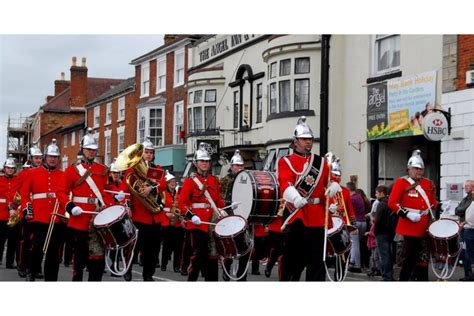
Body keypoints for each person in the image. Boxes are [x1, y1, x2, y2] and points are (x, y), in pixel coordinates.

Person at [277, 116, 341, 281]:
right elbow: (285, 184)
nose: (308, 142)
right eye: (304, 139)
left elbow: (331, 181)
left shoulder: (320, 163)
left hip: (318, 216)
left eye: (310, 139)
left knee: (317, 262)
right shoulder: (285, 161)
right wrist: (296, 197)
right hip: (297, 215)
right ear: (295, 141)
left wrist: (334, 186)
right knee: (293, 261)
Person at [57, 127, 114, 281]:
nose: (91, 152)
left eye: (94, 150)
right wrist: (70, 207)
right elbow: (61, 192)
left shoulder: (103, 170)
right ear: (82, 149)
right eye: (88, 149)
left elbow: (108, 192)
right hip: (79, 220)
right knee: (79, 262)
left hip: (97, 219)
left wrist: (108, 205)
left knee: (97, 262)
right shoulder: (72, 170)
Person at [178, 142, 226, 281]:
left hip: (211, 223)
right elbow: (182, 203)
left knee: (213, 256)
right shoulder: (190, 181)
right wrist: (191, 216)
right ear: (196, 163)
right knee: (198, 256)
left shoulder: (214, 180)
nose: (205, 164)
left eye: (207, 161)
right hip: (197, 224)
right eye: (202, 161)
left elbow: (217, 201)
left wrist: (226, 208)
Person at [20, 139, 67, 281]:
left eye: (56, 157)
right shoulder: (32, 173)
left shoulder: (63, 175)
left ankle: (51, 280)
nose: (53, 159)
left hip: (56, 218)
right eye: (50, 156)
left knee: (54, 254)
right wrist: (28, 211)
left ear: (58, 159)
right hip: (38, 218)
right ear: (45, 157)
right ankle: (32, 273)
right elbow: (24, 195)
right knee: (37, 250)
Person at [388, 149, 437, 281]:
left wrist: (443, 206)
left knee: (424, 258)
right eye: (416, 169)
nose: (419, 171)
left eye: (421, 169)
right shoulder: (401, 182)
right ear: (409, 169)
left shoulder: (428, 183)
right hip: (408, 226)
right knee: (410, 257)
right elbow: (392, 202)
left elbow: (432, 203)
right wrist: (407, 214)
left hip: (424, 226)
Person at [122, 137, 166, 281]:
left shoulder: (157, 169)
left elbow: (163, 184)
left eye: (151, 152)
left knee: (153, 250)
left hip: (154, 216)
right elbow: (125, 190)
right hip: (139, 215)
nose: (148, 155)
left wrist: (151, 188)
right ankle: (127, 269)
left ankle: (148, 275)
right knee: (134, 247)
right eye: (146, 152)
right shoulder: (132, 169)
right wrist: (127, 207)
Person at [17, 143, 44, 279]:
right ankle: (23, 266)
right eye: (36, 158)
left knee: (39, 243)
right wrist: (28, 211)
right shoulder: (24, 173)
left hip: (41, 212)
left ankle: (36, 268)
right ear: (31, 158)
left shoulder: (44, 172)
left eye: (40, 158)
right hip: (28, 211)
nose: (38, 160)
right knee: (27, 241)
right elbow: (21, 194)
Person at [219, 149, 248, 281]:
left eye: (241, 165)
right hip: (230, 215)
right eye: (237, 165)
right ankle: (227, 265)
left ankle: (242, 276)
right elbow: (221, 198)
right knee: (231, 246)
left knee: (245, 248)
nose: (240, 168)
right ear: (232, 166)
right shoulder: (225, 180)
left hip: (243, 216)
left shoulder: (246, 179)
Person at [160, 170, 185, 273]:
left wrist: (182, 216)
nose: (173, 183)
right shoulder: (163, 193)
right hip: (167, 222)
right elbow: (159, 207)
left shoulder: (179, 193)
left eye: (174, 181)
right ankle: (164, 264)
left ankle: (177, 266)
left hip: (178, 222)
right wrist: (167, 214)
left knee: (178, 246)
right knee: (167, 245)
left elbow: (183, 205)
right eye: (170, 181)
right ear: (167, 183)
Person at [0, 156, 21, 269]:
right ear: (4, 168)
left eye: (12, 168)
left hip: (13, 215)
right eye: (8, 168)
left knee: (13, 241)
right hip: (1, 214)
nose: (10, 170)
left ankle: (9, 262)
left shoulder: (18, 180)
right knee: (0, 240)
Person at [374, 184, 397, 281]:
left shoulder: (381, 204)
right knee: (390, 254)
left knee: (384, 255)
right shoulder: (391, 203)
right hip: (391, 231)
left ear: (381, 193)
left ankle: (387, 276)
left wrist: (375, 232)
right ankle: (390, 274)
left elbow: (377, 221)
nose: (375, 195)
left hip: (382, 232)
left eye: (376, 193)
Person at [455, 179, 474, 281]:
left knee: (469, 253)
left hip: (469, 228)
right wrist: (460, 210)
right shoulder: (465, 198)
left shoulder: (472, 199)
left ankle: (470, 276)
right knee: (465, 252)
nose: (465, 187)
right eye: (465, 185)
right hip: (463, 228)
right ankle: (468, 275)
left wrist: (460, 210)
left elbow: (464, 209)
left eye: (468, 186)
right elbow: (457, 210)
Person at [347, 182, 366, 273]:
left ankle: (357, 265)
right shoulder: (359, 197)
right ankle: (352, 262)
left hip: (355, 223)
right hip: (363, 222)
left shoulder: (352, 199)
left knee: (354, 245)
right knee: (355, 244)